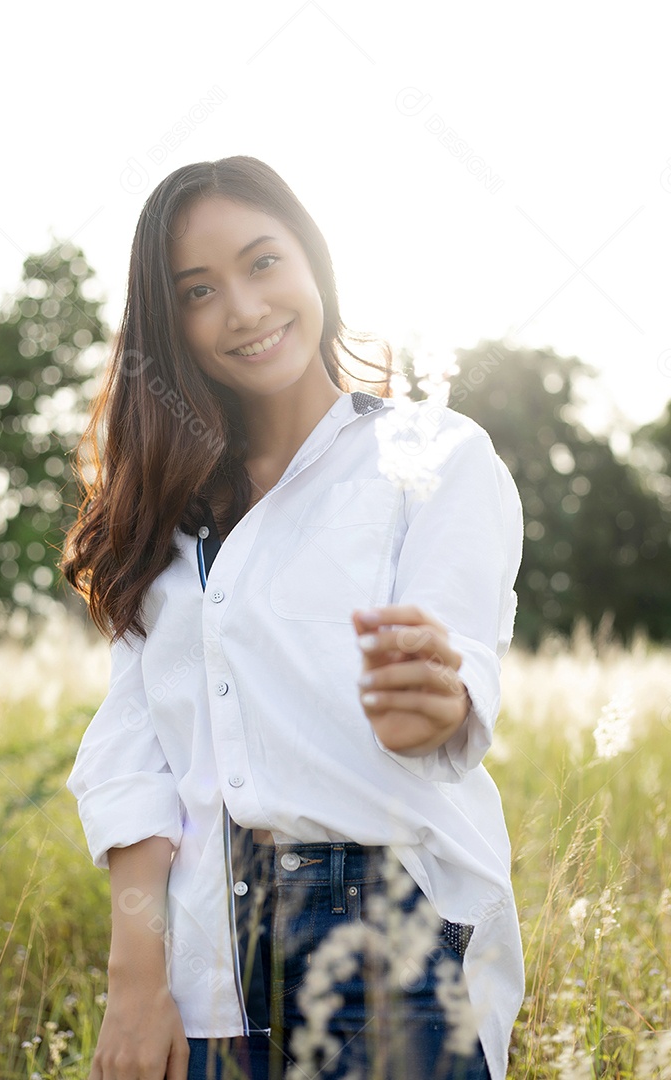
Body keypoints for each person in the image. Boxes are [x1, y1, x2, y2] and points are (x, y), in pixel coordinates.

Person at [62, 155, 525, 1080]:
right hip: (204, 969)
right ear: (170, 325)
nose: (243, 308)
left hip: (386, 940)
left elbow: (457, 663)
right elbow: (134, 758)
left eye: (263, 262)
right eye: (199, 290)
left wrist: (432, 703)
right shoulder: (161, 516)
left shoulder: (433, 455)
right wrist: (134, 980)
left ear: (316, 260)